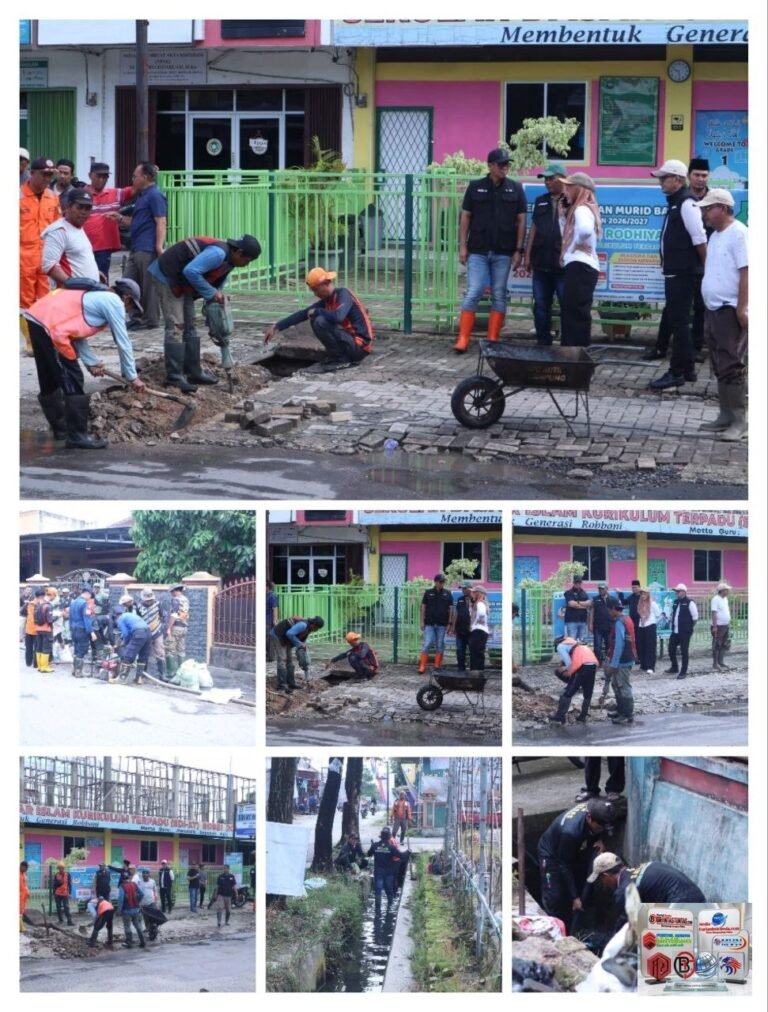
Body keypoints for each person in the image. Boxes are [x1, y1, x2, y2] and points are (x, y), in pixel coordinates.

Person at [22, 276, 146, 449]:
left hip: (36, 318)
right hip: (49, 327)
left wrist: (91, 362)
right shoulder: (113, 301)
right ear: (126, 297)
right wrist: (132, 377)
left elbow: (75, 332)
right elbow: (122, 340)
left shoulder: (95, 297)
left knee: (49, 376)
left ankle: (62, 430)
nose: (128, 310)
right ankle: (77, 436)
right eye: (131, 306)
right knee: (73, 378)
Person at [149, 233, 262, 392]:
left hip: (182, 280)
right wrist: (211, 293)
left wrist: (216, 296)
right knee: (176, 325)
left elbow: (216, 282)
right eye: (247, 260)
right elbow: (191, 271)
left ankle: (193, 371)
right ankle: (174, 377)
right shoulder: (218, 253)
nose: (247, 264)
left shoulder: (229, 262)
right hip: (168, 275)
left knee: (190, 324)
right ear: (238, 252)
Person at [454, 147, 527, 352]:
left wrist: (518, 250)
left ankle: (493, 339)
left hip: (503, 251)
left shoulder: (515, 188)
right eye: (501, 164)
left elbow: (522, 220)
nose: (505, 168)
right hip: (477, 250)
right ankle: (463, 338)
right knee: (474, 291)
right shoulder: (476, 187)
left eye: (507, 164)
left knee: (499, 294)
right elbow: (465, 216)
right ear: (490, 166)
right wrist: (462, 246)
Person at [648, 159, 707, 390]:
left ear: (677, 179)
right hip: (676, 272)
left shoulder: (686, 203)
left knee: (679, 322)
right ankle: (689, 369)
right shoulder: (676, 202)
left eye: (665, 177)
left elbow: (699, 237)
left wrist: (706, 268)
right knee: (679, 320)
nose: (661, 182)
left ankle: (677, 372)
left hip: (683, 273)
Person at [695, 188, 749, 442]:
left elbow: (747, 272)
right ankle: (725, 415)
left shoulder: (739, 234)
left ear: (724, 208)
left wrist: (742, 307)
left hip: (729, 308)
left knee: (732, 362)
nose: (705, 213)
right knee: (718, 361)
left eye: (709, 208)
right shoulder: (716, 235)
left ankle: (740, 420)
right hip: (714, 307)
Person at [264, 268, 374, 372]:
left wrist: (317, 311)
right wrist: (277, 326)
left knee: (320, 320)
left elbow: (338, 316)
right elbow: (304, 313)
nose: (315, 294)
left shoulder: (343, 294)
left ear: (326, 284)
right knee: (316, 319)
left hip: (360, 347)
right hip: (350, 344)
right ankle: (337, 357)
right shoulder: (327, 300)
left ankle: (341, 359)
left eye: (316, 290)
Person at [537, 798, 616, 932]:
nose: (602, 829)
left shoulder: (598, 810)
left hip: (574, 849)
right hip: (552, 857)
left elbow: (602, 830)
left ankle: (579, 924)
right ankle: (555, 932)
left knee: (582, 885)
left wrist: (600, 840)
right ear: (590, 818)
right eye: (600, 826)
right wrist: (575, 898)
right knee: (555, 897)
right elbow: (564, 865)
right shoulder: (570, 832)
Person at [587, 853, 705, 934]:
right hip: (699, 902)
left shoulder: (625, 891)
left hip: (684, 910)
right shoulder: (644, 868)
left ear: (606, 876)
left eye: (601, 880)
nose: (604, 884)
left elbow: (623, 930)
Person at [121, 162, 166, 330]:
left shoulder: (155, 195)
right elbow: (139, 221)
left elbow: (161, 221)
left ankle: (151, 319)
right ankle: (137, 316)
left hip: (148, 248)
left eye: (135, 176)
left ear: (145, 177)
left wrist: (159, 247)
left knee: (149, 287)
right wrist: (119, 219)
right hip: (136, 246)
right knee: (128, 283)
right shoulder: (142, 197)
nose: (133, 179)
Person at [525, 162, 567, 344]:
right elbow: (533, 228)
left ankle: (568, 343)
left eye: (551, 178)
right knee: (541, 306)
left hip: (563, 264)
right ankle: (543, 342)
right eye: (546, 179)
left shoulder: (571, 200)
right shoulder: (541, 200)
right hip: (541, 263)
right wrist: (527, 255)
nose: (547, 182)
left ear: (562, 178)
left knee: (567, 305)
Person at [558, 172, 601, 346]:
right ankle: (574, 354)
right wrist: (562, 216)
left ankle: (575, 355)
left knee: (575, 313)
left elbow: (584, 231)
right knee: (574, 311)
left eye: (569, 186)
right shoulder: (579, 209)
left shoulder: (582, 209)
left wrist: (575, 245)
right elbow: (569, 234)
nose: (565, 190)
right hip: (581, 266)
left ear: (579, 189)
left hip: (580, 266)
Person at [20, 156, 60, 309]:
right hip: (23, 262)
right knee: (24, 304)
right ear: (32, 173)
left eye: (50, 175)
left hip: (46, 260)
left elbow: (58, 228)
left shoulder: (53, 197)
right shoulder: (18, 196)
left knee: (46, 302)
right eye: (44, 174)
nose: (47, 179)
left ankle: (42, 332)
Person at [83, 161, 133, 278]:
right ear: (90, 175)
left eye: (105, 176)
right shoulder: (81, 194)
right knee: (83, 279)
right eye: (98, 176)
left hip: (104, 248)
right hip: (83, 245)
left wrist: (150, 173)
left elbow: (138, 188)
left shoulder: (115, 194)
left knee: (102, 279)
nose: (102, 179)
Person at [41, 189, 100, 287]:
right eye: (79, 207)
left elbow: (78, 259)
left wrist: (95, 273)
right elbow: (49, 265)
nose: (83, 212)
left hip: (85, 293)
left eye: (87, 208)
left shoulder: (78, 227)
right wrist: (72, 284)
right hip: (69, 295)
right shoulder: (59, 230)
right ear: (68, 206)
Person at [549, 636, 598, 724]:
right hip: (593, 663)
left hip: (582, 665)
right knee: (588, 691)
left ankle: (560, 716)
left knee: (569, 692)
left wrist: (566, 671)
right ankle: (583, 716)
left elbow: (569, 663)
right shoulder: (576, 643)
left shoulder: (560, 646)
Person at [270, 615, 325, 693]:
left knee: (289, 660)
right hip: (278, 635)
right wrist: (299, 644)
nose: (317, 630)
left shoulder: (308, 629)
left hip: (286, 638)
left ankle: (291, 683)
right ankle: (282, 685)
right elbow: (289, 633)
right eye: (317, 628)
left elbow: (300, 640)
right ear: (314, 625)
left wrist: (302, 652)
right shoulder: (303, 625)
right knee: (282, 659)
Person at [605, 598, 637, 725]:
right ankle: (621, 710)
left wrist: (614, 664)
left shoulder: (619, 622)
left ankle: (627, 714)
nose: (608, 612)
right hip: (626, 658)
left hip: (622, 660)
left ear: (613, 609)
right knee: (616, 685)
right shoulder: (627, 619)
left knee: (623, 687)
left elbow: (619, 644)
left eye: (609, 610)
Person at [418, 573, 455, 674]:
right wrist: (421, 621)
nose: (442, 583)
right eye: (440, 582)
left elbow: (451, 609)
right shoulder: (428, 592)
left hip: (442, 624)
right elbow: (423, 607)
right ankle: (422, 666)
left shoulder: (447, 593)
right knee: (427, 643)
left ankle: (437, 665)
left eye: (443, 582)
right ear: (435, 582)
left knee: (440, 644)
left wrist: (450, 623)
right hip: (429, 624)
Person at [136, 587, 171, 682]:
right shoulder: (138, 606)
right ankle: (142, 674)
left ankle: (162, 675)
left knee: (160, 652)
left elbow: (164, 617)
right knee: (143, 653)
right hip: (144, 631)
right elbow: (137, 619)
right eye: (147, 600)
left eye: (150, 600)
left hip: (157, 631)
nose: (149, 601)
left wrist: (163, 629)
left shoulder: (158, 604)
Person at [666, 583, 699, 680]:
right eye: (676, 591)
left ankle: (683, 671)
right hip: (675, 630)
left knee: (684, 651)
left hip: (685, 631)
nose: (676, 593)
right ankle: (674, 667)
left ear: (684, 592)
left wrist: (688, 627)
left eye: (678, 591)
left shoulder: (690, 602)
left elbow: (695, 618)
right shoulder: (676, 602)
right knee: (671, 648)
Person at [116, 599, 151, 684]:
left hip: (139, 633)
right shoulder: (130, 615)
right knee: (143, 656)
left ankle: (122, 679)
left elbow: (126, 634)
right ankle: (139, 679)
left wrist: (125, 643)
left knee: (128, 655)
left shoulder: (120, 619)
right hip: (148, 633)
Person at [367, 827, 401, 908]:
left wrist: (372, 847)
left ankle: (377, 907)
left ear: (381, 837)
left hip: (378, 872)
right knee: (389, 889)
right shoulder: (391, 848)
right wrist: (408, 852)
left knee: (378, 890)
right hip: (389, 873)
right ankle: (390, 906)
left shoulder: (375, 845)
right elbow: (401, 856)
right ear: (389, 837)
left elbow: (368, 854)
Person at [69, 585, 98, 678]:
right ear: (88, 594)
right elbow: (87, 619)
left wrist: (70, 629)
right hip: (82, 629)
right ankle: (78, 672)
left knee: (76, 649)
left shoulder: (73, 602)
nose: (90, 598)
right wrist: (91, 632)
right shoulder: (84, 604)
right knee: (82, 649)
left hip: (74, 629)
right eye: (90, 596)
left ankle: (74, 670)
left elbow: (70, 617)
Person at [165, 583, 191, 680]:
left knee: (169, 650)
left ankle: (170, 674)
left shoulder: (176, 600)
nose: (171, 594)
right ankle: (182, 674)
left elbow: (174, 615)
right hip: (184, 627)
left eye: (171, 592)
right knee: (181, 651)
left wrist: (169, 628)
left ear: (175, 591)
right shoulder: (185, 599)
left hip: (175, 627)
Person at [636, 590, 662, 674]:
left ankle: (651, 666)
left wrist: (648, 617)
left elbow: (658, 614)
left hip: (650, 625)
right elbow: (639, 613)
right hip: (641, 625)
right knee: (641, 646)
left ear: (648, 594)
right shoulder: (640, 603)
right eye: (641, 593)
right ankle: (643, 665)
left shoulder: (652, 603)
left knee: (650, 647)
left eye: (645, 594)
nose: (643, 595)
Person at [31, 587, 55, 673]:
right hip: (46, 629)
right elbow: (50, 620)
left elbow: (34, 619)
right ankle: (44, 667)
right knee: (46, 648)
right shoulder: (47, 606)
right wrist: (57, 616)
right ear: (44, 596)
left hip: (38, 629)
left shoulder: (36, 606)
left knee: (39, 647)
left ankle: (40, 666)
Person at [117, 876, 145, 948]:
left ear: (123, 879)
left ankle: (129, 943)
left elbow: (121, 899)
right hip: (136, 909)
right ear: (129, 878)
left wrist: (119, 910)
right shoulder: (134, 884)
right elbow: (142, 894)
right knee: (137, 925)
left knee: (127, 926)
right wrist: (137, 902)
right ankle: (142, 941)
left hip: (127, 910)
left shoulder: (122, 886)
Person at [588, 581, 613, 665]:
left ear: (606, 589)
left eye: (602, 589)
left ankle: (608, 662)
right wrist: (590, 624)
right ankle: (598, 663)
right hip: (598, 627)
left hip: (609, 626)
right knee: (597, 646)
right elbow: (591, 612)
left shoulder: (612, 599)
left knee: (609, 645)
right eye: (599, 589)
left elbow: (616, 612)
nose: (600, 590)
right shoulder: (595, 599)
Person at [710, 581, 732, 672]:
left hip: (725, 625)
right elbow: (714, 613)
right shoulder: (715, 599)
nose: (728, 591)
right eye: (727, 590)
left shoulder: (725, 599)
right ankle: (715, 664)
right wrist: (715, 626)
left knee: (724, 644)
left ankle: (721, 662)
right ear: (722, 590)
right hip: (718, 626)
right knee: (716, 645)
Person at [469, 585, 490, 674]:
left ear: (478, 593)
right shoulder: (481, 603)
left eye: (474, 592)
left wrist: (473, 624)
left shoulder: (480, 603)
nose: (471, 594)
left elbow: (481, 614)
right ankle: (477, 674)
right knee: (477, 653)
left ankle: (476, 675)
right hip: (480, 631)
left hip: (478, 630)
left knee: (476, 654)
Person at [454, 582, 474, 672]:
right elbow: (456, 613)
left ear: (470, 589)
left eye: (465, 588)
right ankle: (461, 669)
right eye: (462, 589)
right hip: (460, 629)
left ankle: (473, 669)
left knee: (472, 651)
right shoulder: (460, 599)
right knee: (460, 650)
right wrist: (453, 627)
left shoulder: (475, 599)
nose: (463, 590)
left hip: (472, 631)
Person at [563, 575, 590, 641]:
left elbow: (589, 604)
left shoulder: (584, 592)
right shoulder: (569, 592)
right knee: (572, 641)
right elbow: (571, 604)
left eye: (579, 583)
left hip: (582, 620)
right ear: (574, 583)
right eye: (576, 582)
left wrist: (577, 603)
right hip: (572, 621)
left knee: (581, 641)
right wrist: (583, 605)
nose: (578, 584)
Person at [266, 580, 279, 661]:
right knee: (267, 640)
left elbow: (275, 608)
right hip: (266, 620)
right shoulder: (266, 595)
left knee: (269, 640)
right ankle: (269, 656)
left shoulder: (272, 596)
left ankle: (271, 657)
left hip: (269, 621)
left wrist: (275, 620)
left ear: (268, 587)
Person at [20, 861, 30, 930]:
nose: (26, 870)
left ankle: (21, 926)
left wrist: (27, 892)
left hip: (23, 897)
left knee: (21, 911)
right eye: (26, 868)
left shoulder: (23, 874)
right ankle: (20, 927)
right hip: (20, 896)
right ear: (22, 866)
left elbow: (25, 885)